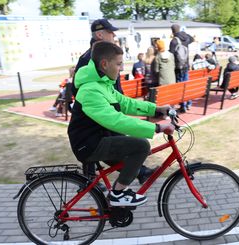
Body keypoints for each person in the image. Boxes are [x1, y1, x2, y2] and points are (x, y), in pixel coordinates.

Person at [68, 41, 175, 206]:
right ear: (104, 64)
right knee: (141, 146)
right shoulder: (91, 90)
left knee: (131, 160)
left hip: (99, 139)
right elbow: (115, 120)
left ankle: (119, 198)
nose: (122, 68)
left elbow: (126, 103)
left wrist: (157, 109)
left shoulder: (102, 83)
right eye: (118, 64)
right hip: (88, 145)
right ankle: (118, 194)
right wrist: (156, 127)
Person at [73, 19, 155, 184]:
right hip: (96, 126)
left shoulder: (103, 73)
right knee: (137, 146)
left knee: (126, 148)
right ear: (100, 34)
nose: (114, 35)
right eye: (111, 32)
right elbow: (89, 95)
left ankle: (133, 176)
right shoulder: (92, 61)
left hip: (102, 118)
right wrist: (156, 127)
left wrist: (156, 109)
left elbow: (122, 100)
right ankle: (116, 189)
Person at [169, 24, 194, 113]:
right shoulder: (186, 38)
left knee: (180, 86)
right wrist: (184, 33)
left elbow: (171, 55)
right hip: (186, 65)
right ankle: (189, 103)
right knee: (186, 85)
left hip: (178, 67)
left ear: (172, 31)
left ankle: (183, 105)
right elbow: (192, 39)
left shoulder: (174, 41)